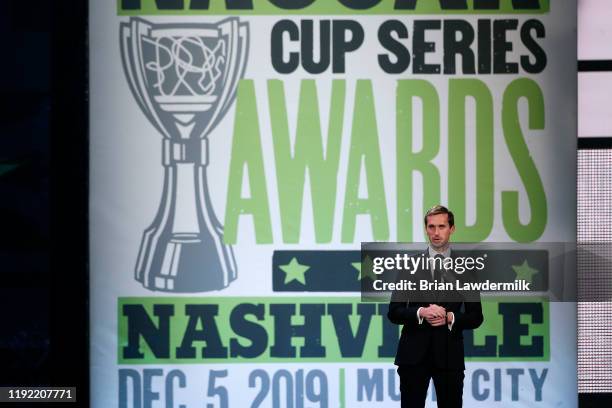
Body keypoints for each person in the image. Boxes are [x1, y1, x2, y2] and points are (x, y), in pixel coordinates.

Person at [387, 205, 483, 408]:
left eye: (441, 226)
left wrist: (450, 317)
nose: (436, 233)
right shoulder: (408, 266)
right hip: (413, 356)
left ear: (452, 228)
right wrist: (421, 312)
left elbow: (476, 317)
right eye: (431, 227)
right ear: (426, 229)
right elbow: (394, 312)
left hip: (449, 357)